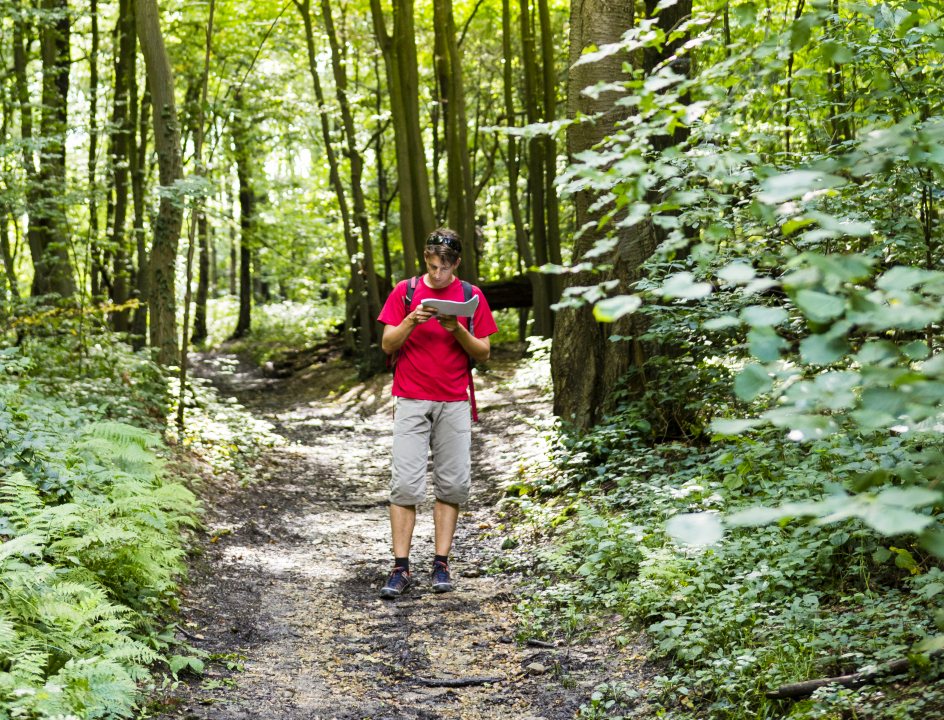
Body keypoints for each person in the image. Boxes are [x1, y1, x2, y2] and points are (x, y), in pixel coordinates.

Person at [376, 228, 498, 599]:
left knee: (452, 484)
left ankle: (441, 563)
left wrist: (456, 327)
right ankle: (401, 568)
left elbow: (484, 352)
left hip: (454, 400)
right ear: (426, 260)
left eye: (444, 267)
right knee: (406, 485)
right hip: (411, 398)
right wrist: (412, 319)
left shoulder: (471, 296)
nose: (438, 274)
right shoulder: (406, 291)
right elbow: (386, 343)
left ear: (456, 263)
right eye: (432, 266)